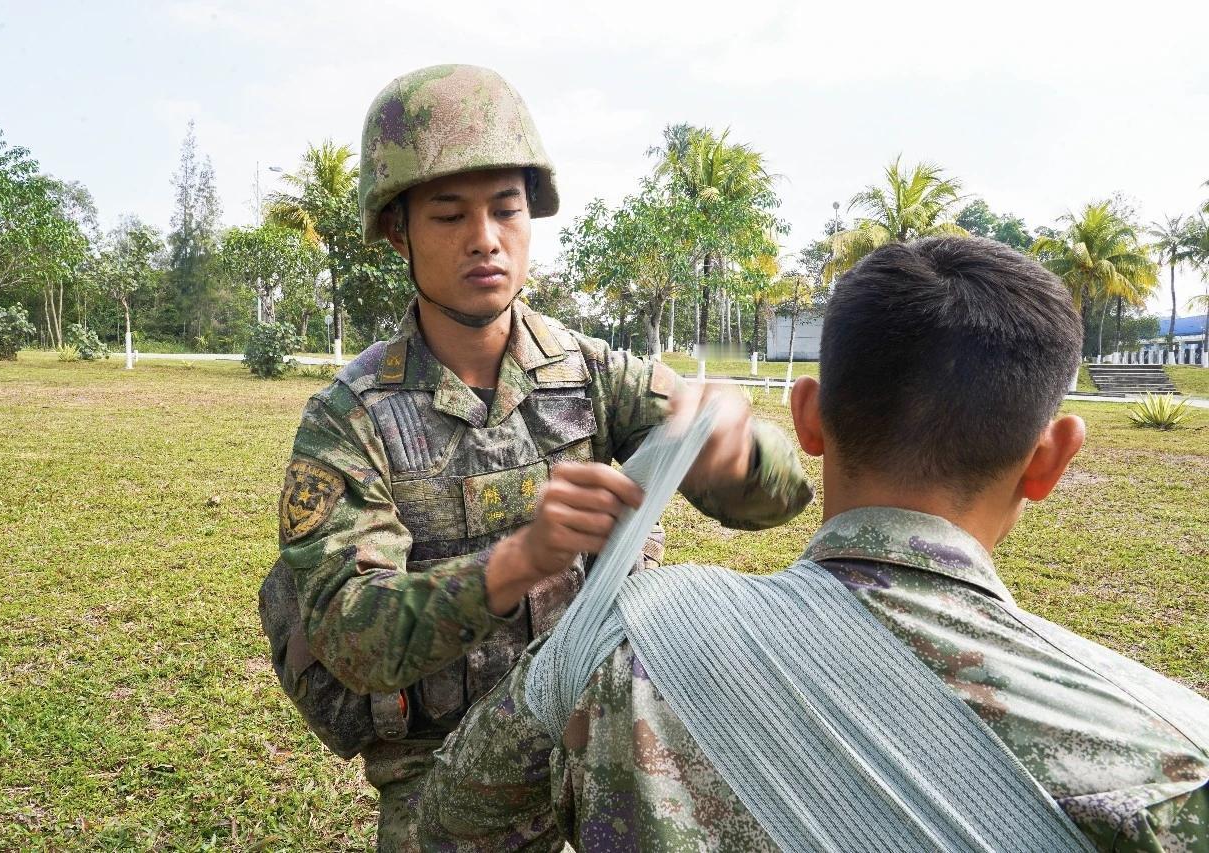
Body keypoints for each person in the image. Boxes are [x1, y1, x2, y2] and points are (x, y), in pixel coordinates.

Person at [418, 236, 1209, 851]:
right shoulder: (1173, 767)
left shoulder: (612, 641)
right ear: (1052, 459)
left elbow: (454, 824)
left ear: (806, 418)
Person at [273, 63, 813, 849]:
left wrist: (734, 448)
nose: (484, 239)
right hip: (441, 764)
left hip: (597, 723)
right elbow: (353, 636)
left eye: (507, 209)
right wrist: (522, 558)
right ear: (398, 232)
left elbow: (779, 493)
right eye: (450, 214)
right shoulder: (351, 418)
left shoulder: (592, 373)